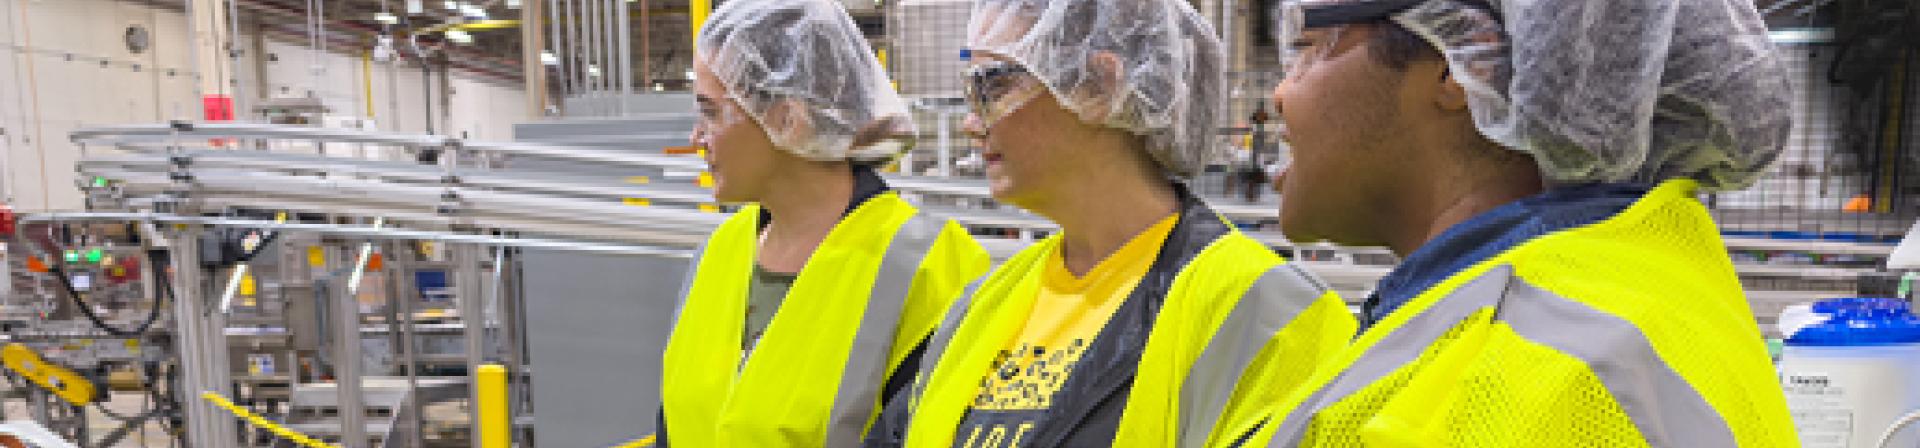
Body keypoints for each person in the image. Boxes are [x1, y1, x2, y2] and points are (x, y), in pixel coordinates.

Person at [1243, 0, 1800, 445]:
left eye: (1309, 48)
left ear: (1461, 65)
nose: (1281, 92)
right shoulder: (1639, 287)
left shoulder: (1513, 378)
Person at [864, 1, 1356, 446]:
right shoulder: (983, 304)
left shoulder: (1266, 313)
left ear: (1100, 87)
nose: (973, 123)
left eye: (994, 85)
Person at [656, 1, 992, 446]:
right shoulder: (717, 255)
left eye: (712, 112)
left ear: (786, 119)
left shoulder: (931, 267)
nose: (696, 138)